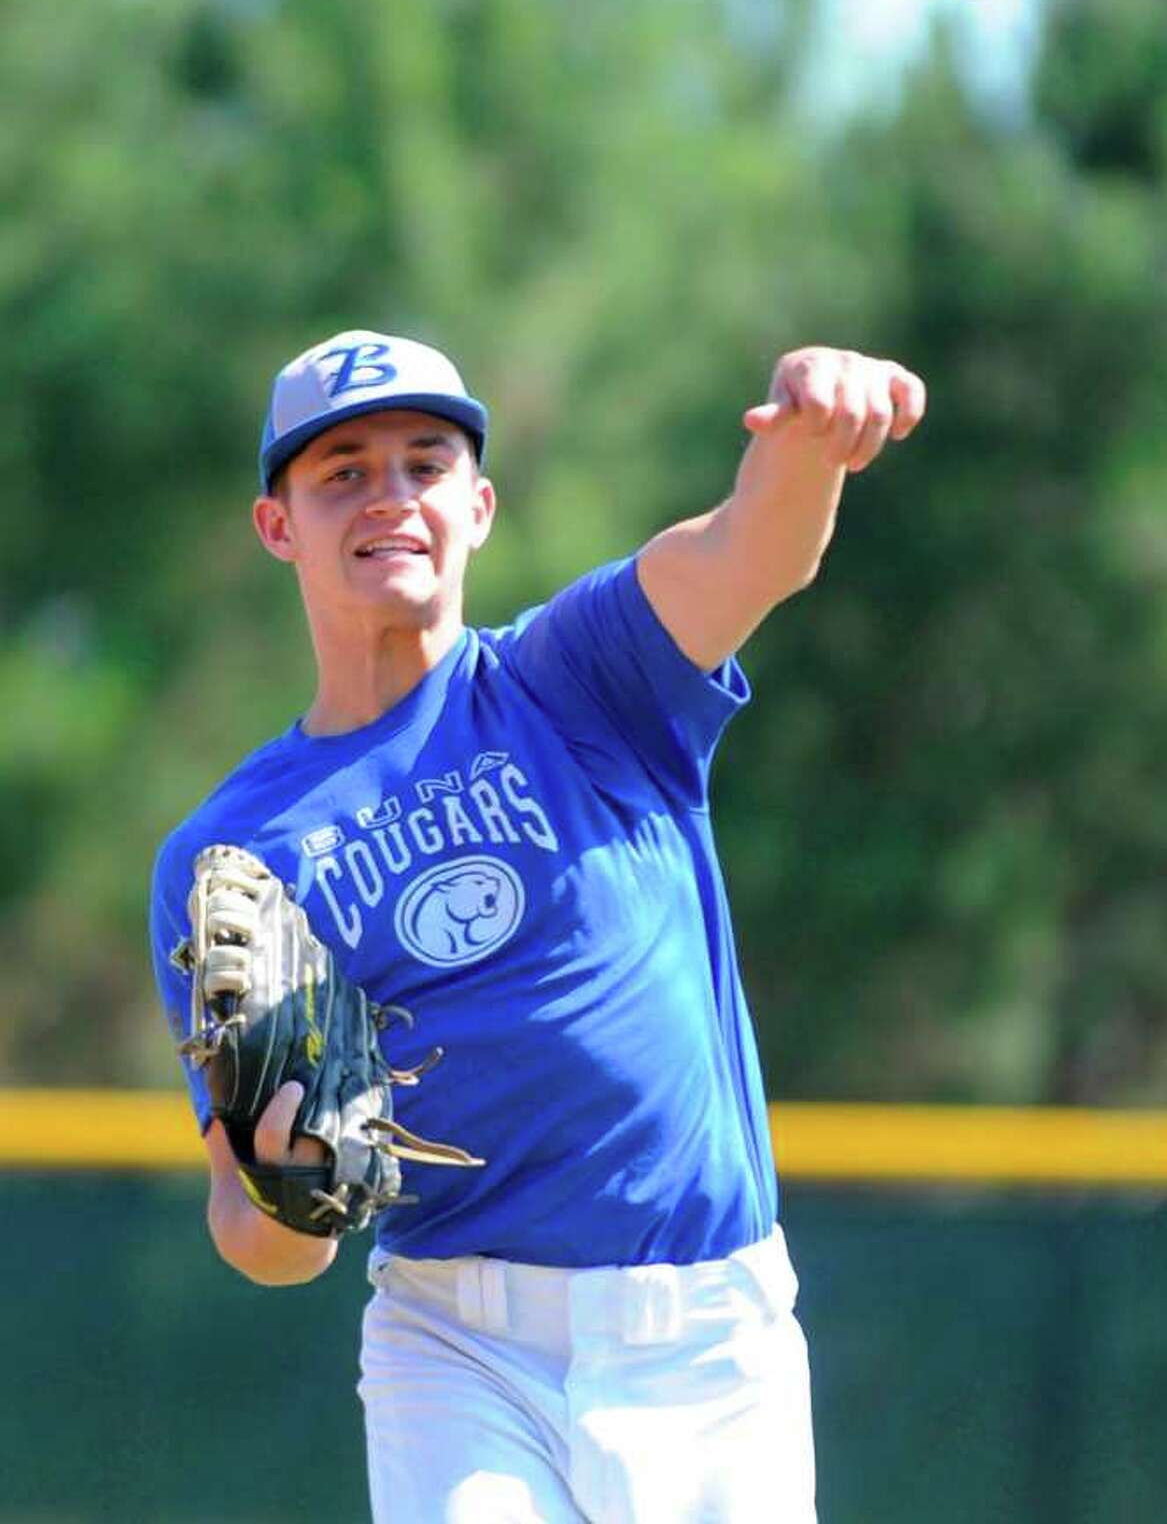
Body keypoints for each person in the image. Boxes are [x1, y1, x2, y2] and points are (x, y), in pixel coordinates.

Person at [150, 327, 925, 1523]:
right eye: (342, 471)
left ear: (480, 504)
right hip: (460, 1349)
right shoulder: (238, 853)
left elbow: (747, 548)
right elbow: (269, 1243)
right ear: (277, 525)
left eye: (424, 462)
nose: (390, 496)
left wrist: (813, 440)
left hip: (708, 1338)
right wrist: (282, 1181)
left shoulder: (583, 676)